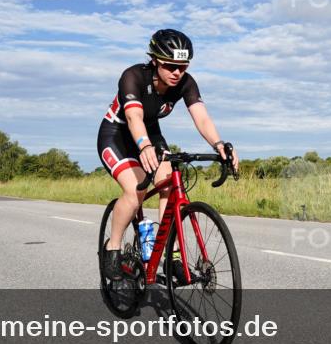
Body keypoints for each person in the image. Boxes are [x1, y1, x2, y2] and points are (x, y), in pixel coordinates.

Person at [96, 29, 238, 280]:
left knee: (170, 184)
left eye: (182, 66)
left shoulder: (185, 82)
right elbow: (133, 116)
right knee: (136, 190)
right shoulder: (133, 76)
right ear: (154, 60)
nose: (177, 72)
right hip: (117, 134)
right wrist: (143, 145)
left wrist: (219, 144)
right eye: (170, 65)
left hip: (150, 134)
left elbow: (201, 117)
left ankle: (171, 255)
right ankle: (113, 248)